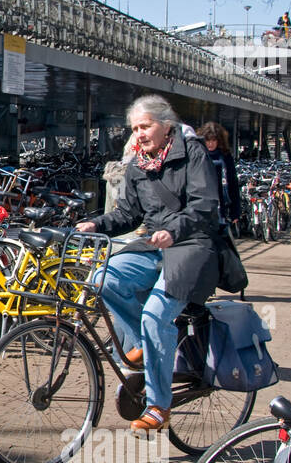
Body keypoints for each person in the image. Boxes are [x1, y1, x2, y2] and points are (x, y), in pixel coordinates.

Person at [75, 95, 221, 433]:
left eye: (146, 126)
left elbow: (205, 206)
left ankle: (158, 404)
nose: (139, 133)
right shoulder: (139, 164)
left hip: (192, 246)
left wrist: (173, 231)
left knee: (157, 316)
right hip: (154, 245)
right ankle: (142, 342)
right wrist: (97, 224)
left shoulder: (193, 152)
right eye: (135, 128)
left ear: (166, 124)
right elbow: (129, 213)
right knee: (102, 278)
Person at [198, 121, 241, 227]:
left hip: (220, 204)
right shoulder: (197, 155)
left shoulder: (225, 157)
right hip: (201, 202)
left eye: (214, 140)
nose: (211, 144)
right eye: (208, 140)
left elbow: (233, 183)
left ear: (219, 141)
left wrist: (235, 211)